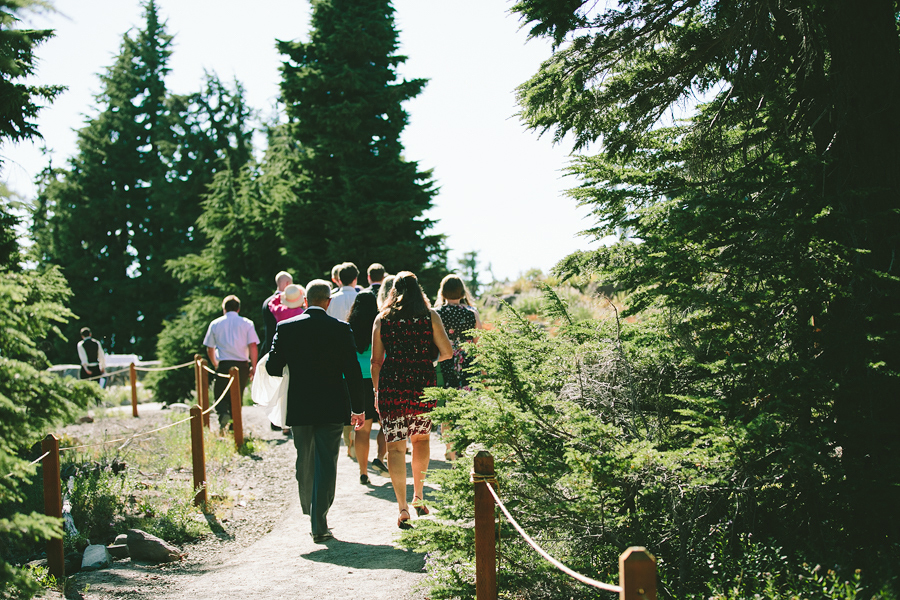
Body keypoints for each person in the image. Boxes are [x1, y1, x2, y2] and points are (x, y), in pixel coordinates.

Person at [265, 279, 366, 543]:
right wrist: (358, 408)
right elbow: (353, 372)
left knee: (305, 459)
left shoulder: (285, 328)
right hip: (332, 406)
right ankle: (318, 521)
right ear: (328, 302)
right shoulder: (341, 329)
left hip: (299, 405)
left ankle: (310, 510)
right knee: (327, 462)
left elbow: (273, 367)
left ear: (305, 301)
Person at [371, 271, 452, 529]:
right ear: (419, 291)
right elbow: (447, 352)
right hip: (422, 384)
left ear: (393, 291)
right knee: (421, 440)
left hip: (392, 386)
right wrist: (426, 362)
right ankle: (419, 496)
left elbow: (375, 361)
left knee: (395, 447)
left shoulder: (383, 319)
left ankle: (402, 508)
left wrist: (376, 392)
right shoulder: (430, 317)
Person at [434, 274, 483, 460]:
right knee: (466, 406)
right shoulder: (472, 312)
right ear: (462, 292)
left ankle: (449, 449)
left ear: (442, 291)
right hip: (467, 363)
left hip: (445, 362)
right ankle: (461, 445)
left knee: (448, 405)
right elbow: (478, 341)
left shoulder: (436, 312)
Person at [203, 295, 260, 433]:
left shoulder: (215, 324)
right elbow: (253, 346)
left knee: (220, 395)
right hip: (242, 365)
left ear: (224, 309)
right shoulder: (247, 323)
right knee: (237, 396)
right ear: (238, 309)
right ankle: (235, 428)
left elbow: (209, 348)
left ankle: (223, 415)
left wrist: (215, 363)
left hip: (224, 363)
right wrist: (254, 366)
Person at [347, 292, 388, 482]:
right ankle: (379, 458)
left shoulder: (348, 328)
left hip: (356, 381)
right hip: (379, 378)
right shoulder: (381, 324)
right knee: (385, 425)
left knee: (361, 429)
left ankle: (363, 472)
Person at [261, 271, 293, 356]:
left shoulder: (267, 302)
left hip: (269, 345)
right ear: (287, 283)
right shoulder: (285, 303)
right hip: (282, 347)